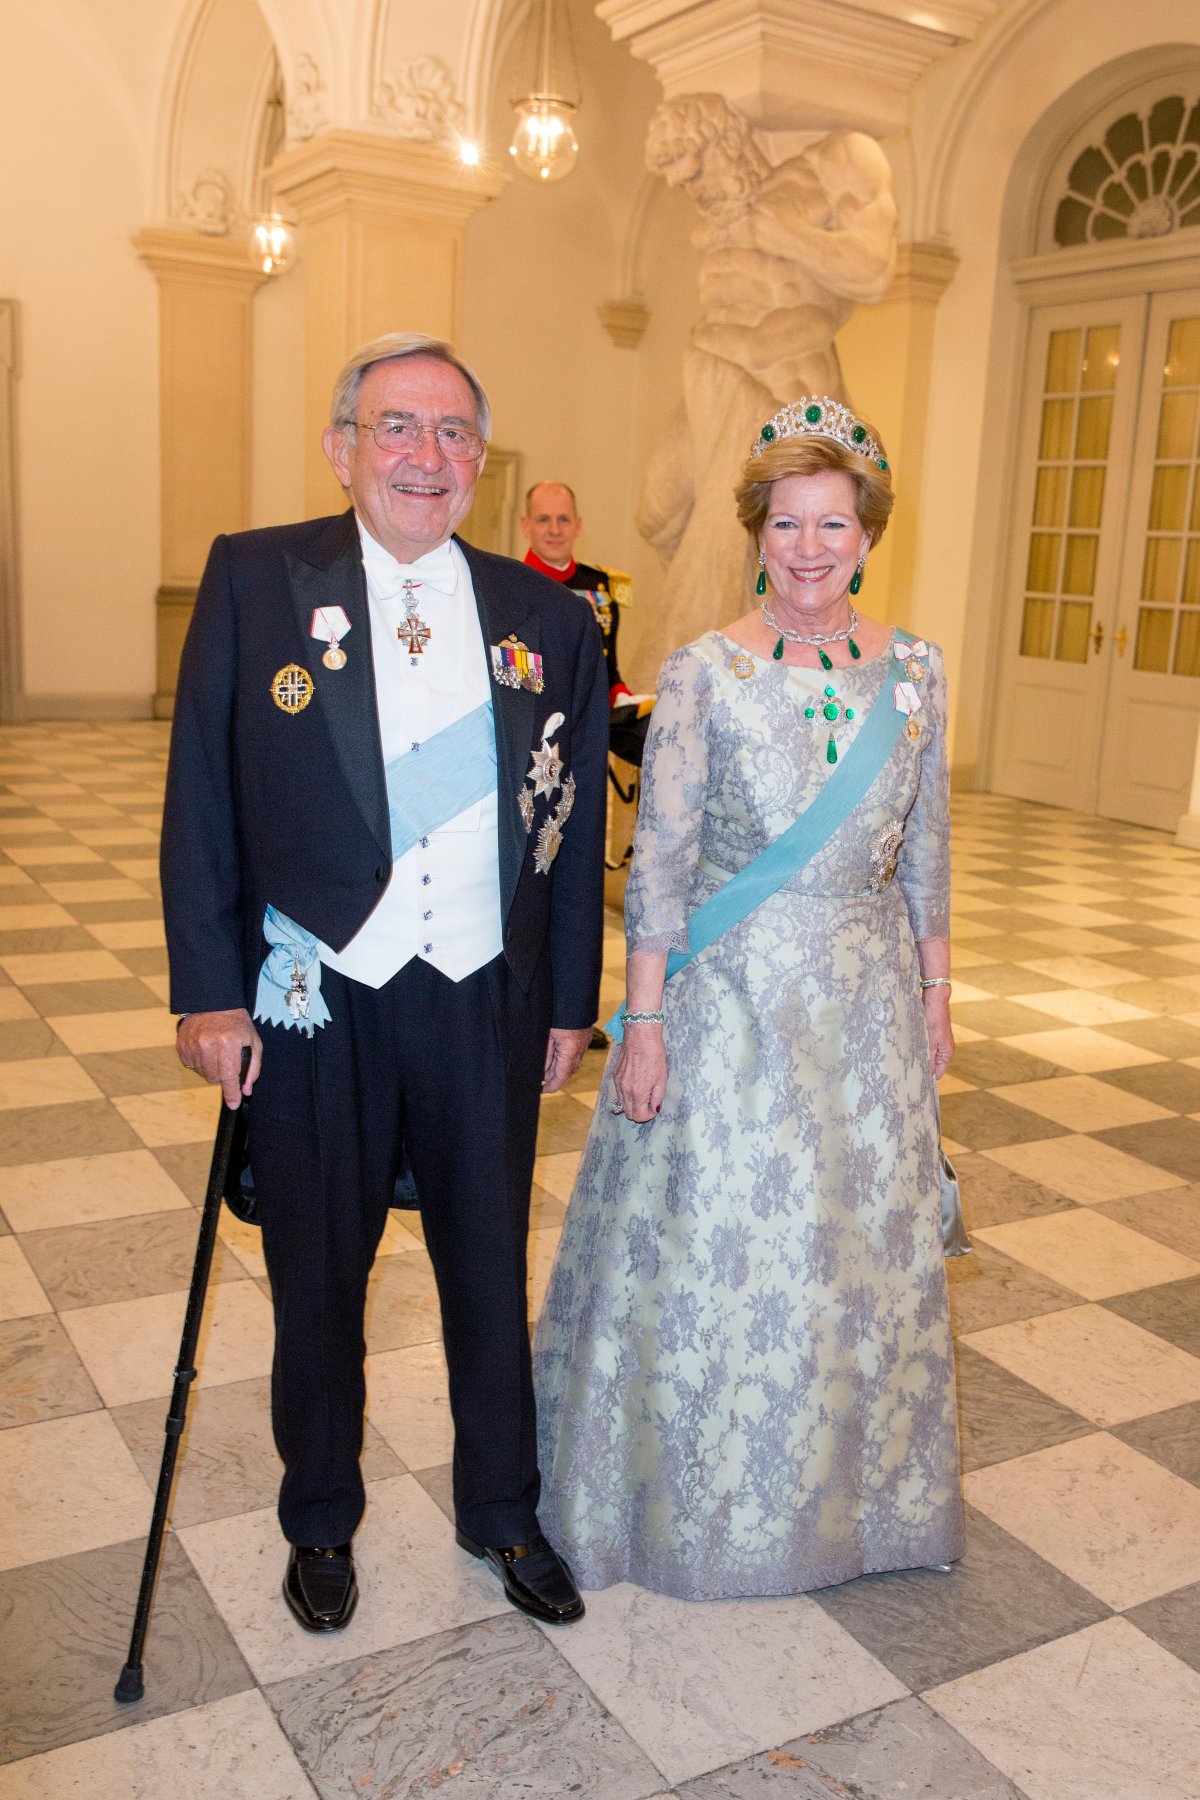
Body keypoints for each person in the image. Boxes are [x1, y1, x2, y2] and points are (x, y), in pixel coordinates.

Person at [161, 332, 609, 1634]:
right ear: (342, 445)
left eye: (453, 433)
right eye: (397, 428)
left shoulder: (545, 619)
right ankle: (320, 1519)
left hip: (482, 994)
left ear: (483, 457)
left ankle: (502, 1510)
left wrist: (568, 998)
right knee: (318, 1275)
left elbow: (570, 830)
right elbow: (202, 798)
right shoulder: (256, 581)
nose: (426, 456)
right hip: (319, 996)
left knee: (485, 1266)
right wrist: (207, 991)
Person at [533, 397, 964, 1600]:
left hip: (867, 1008)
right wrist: (648, 1018)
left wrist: (935, 994)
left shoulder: (917, 672)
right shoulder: (705, 673)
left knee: (847, 1252)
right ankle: (696, 1508)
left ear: (869, 533)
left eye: (834, 523)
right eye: (788, 524)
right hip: (728, 1013)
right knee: (721, 1252)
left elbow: (926, 849)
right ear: (757, 531)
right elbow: (659, 866)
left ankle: (860, 1507)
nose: (811, 548)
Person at [520, 481, 651, 768]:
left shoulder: (601, 587)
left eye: (563, 519)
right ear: (525, 525)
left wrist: (625, 701)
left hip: (589, 734)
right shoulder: (512, 585)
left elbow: (609, 671)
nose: (555, 530)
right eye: (544, 519)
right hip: (532, 735)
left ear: (577, 526)